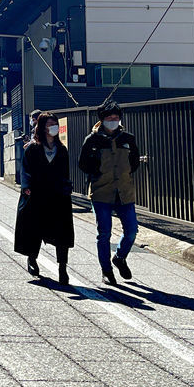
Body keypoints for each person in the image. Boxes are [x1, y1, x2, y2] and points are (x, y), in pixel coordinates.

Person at [77, 101, 141, 285]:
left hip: (124, 192)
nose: (113, 121)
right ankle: (106, 270)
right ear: (102, 120)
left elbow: (135, 162)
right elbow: (83, 164)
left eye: (116, 118)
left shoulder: (128, 138)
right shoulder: (92, 140)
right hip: (101, 192)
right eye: (109, 118)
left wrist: (125, 174)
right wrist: (97, 172)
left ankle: (120, 257)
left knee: (132, 231)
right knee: (104, 233)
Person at [14, 112, 75, 285]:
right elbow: (24, 170)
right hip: (37, 194)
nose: (52, 127)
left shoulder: (62, 149)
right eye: (49, 124)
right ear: (42, 127)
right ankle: (32, 259)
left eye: (54, 123)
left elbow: (65, 172)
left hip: (58, 196)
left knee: (62, 232)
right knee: (35, 229)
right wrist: (26, 187)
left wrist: (66, 188)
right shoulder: (33, 148)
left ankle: (62, 268)